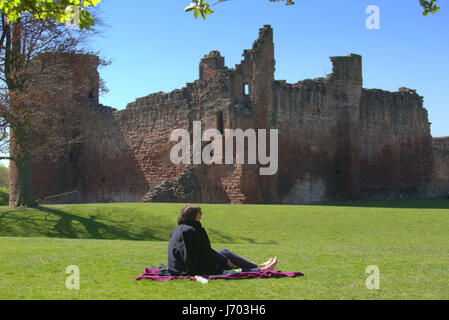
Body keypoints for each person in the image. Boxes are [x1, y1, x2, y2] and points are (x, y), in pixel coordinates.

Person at [167, 205, 278, 276]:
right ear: (193, 217)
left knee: (224, 252)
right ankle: (259, 269)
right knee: (226, 263)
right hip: (191, 269)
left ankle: (259, 266)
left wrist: (223, 258)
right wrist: (225, 260)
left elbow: (201, 251)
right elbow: (206, 250)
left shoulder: (176, 230)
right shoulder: (192, 230)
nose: (200, 220)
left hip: (178, 267)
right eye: (199, 218)